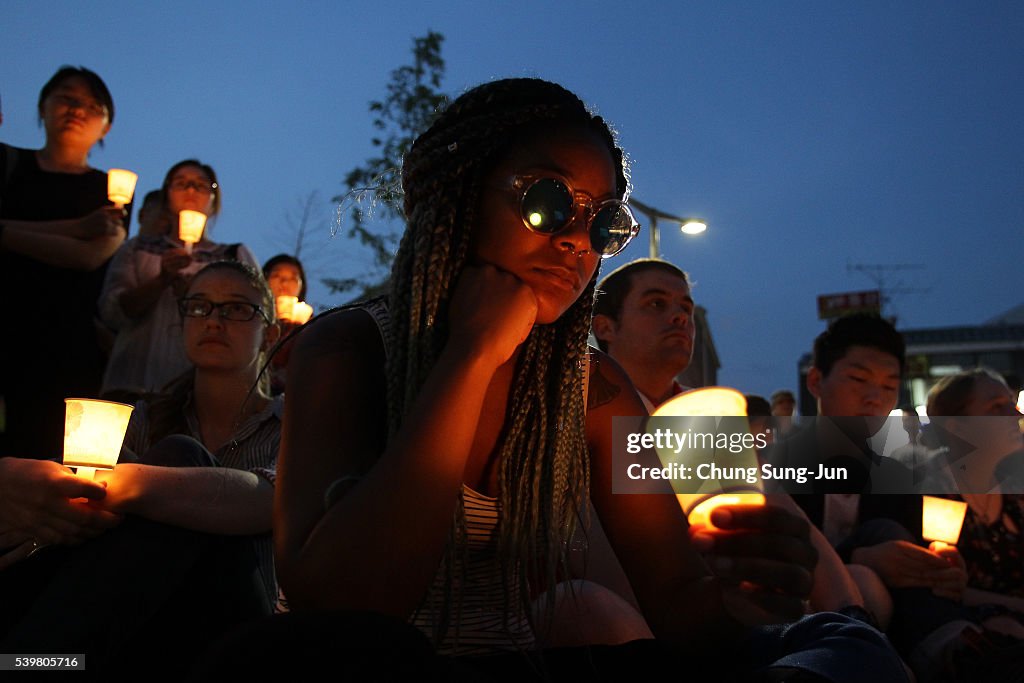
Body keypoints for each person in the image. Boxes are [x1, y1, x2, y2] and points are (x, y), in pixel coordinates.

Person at [192, 79, 907, 682]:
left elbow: (682, 606)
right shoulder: (349, 347)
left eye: (603, 226)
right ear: (459, 196)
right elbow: (342, 603)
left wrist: (743, 587)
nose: (574, 240)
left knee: (850, 644)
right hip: (371, 661)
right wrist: (470, 356)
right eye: (549, 202)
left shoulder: (594, 393)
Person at [1, 260, 282, 676]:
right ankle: (33, 662)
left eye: (237, 308)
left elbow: (270, 500)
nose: (215, 321)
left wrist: (122, 484)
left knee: (181, 457)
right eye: (200, 307)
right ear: (182, 320)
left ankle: (27, 665)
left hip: (238, 637)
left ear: (270, 334)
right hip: (137, 631)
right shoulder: (134, 422)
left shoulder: (294, 424)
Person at [0, 65, 128, 459]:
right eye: (66, 98)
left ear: (105, 127)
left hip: (66, 345)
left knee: (46, 455)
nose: (77, 110)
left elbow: (89, 256)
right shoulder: (9, 165)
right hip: (6, 323)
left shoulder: (109, 189)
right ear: (42, 108)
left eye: (92, 105)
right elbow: (83, 240)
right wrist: (78, 225)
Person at [98, 159, 258, 401]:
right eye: (181, 183)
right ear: (166, 195)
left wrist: (194, 299)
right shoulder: (137, 249)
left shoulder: (233, 257)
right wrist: (161, 280)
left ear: (215, 201)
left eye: (201, 185)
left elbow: (252, 318)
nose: (191, 190)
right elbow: (112, 311)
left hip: (201, 392)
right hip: (133, 380)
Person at [262, 253, 309, 395]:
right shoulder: (251, 319)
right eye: (276, 276)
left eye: (293, 278)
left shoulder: (312, 325)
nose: (285, 282)